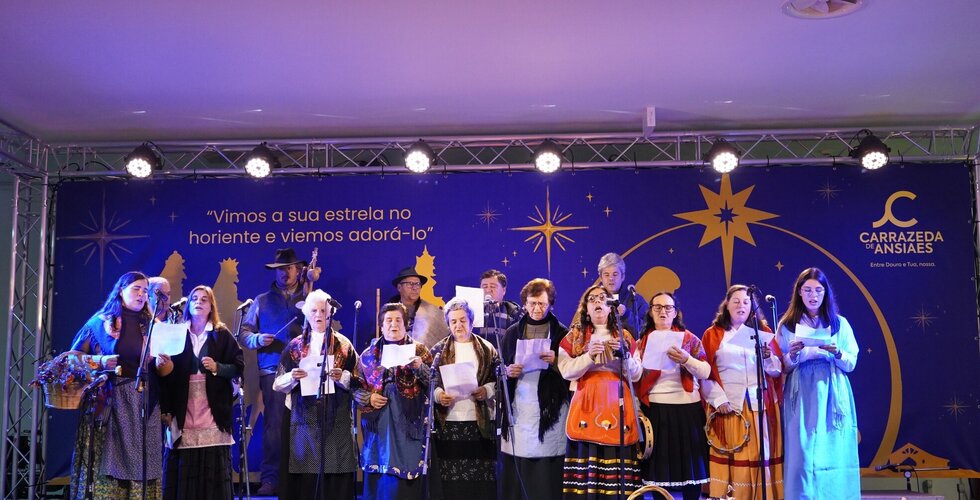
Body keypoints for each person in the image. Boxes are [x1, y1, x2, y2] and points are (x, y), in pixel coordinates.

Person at [68, 271, 166, 499]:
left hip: (144, 400)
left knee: (143, 460)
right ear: (121, 291)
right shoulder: (100, 323)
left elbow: (164, 371)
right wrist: (100, 360)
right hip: (111, 401)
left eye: (145, 291)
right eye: (136, 289)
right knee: (109, 460)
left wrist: (164, 363)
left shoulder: (152, 325)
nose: (142, 294)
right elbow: (72, 358)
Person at [777, 268, 860, 500]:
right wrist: (792, 354)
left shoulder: (839, 324)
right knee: (802, 452)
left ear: (825, 293)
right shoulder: (787, 325)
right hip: (801, 392)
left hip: (832, 390)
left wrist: (837, 352)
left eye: (818, 290)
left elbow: (851, 362)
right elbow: (781, 366)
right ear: (799, 293)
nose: (813, 295)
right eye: (807, 290)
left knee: (833, 448)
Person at [238, 247, 314, 495]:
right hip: (272, 370)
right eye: (280, 269)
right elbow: (244, 334)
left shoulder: (309, 297)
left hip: (305, 370)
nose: (284, 273)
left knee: (305, 425)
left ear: (298, 270)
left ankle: (302, 479)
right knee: (274, 426)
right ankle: (271, 478)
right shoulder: (261, 300)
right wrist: (258, 339)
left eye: (289, 268)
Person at [159, 285, 244, 500]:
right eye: (194, 298)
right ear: (188, 305)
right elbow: (166, 378)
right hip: (183, 405)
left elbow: (238, 366)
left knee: (211, 466)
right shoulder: (177, 332)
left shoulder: (221, 334)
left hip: (211, 408)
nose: (198, 302)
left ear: (211, 306)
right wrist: (166, 408)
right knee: (183, 464)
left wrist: (218, 368)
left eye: (204, 299)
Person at [558, 284, 643, 499]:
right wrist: (588, 357)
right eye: (592, 299)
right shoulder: (575, 336)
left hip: (617, 401)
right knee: (588, 451)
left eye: (603, 298)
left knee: (617, 451)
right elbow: (566, 371)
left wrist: (623, 357)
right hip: (586, 402)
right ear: (586, 309)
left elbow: (636, 375)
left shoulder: (624, 336)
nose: (597, 302)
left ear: (611, 307)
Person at [272, 289, 358, 499]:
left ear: (330, 314)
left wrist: (342, 377)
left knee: (335, 467)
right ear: (306, 314)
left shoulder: (344, 345)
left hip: (335, 416)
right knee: (306, 471)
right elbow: (277, 383)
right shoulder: (294, 346)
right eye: (314, 311)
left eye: (323, 310)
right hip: (303, 417)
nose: (319, 315)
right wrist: (293, 376)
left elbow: (359, 380)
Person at [701, 285, 784, 500]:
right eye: (736, 301)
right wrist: (718, 399)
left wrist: (768, 357)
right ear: (726, 305)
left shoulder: (763, 332)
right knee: (733, 453)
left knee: (759, 453)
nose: (741, 306)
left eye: (746, 302)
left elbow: (776, 371)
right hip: (728, 406)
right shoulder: (713, 334)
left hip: (759, 405)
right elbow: (705, 373)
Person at [498, 278, 569, 500]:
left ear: (551, 305)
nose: (537, 309)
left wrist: (556, 361)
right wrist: (508, 371)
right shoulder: (512, 332)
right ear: (524, 304)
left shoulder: (561, 333)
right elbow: (500, 368)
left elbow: (572, 372)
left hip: (549, 405)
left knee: (545, 464)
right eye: (532, 303)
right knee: (520, 457)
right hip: (520, 403)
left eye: (542, 304)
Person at [635, 292, 710, 500]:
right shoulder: (641, 342)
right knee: (660, 473)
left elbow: (705, 371)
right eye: (657, 307)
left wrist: (687, 360)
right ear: (650, 312)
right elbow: (634, 377)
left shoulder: (689, 338)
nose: (663, 312)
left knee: (690, 471)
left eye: (668, 307)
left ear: (675, 312)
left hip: (687, 408)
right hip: (655, 408)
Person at [354, 303, 434, 500]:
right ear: (381, 326)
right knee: (379, 480)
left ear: (406, 324)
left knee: (403, 483)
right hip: (378, 428)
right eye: (388, 320)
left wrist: (419, 367)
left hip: (409, 425)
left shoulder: (420, 351)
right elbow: (355, 387)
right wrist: (369, 397)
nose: (393, 324)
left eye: (398, 320)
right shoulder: (368, 355)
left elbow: (436, 383)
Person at [431, 297, 500, 500]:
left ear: (471, 321)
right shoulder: (438, 350)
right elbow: (430, 382)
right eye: (453, 321)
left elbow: (496, 380)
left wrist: (486, 390)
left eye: (462, 320)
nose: (458, 325)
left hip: (479, 422)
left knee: (480, 477)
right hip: (449, 422)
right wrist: (439, 395)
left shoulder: (486, 348)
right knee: (452, 477)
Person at [388, 266, 450, 348]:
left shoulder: (431, 312)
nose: (415, 288)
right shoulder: (388, 312)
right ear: (399, 287)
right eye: (410, 284)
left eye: (418, 284)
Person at [597, 252, 648, 339]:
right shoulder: (594, 300)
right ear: (601, 278)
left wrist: (626, 315)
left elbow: (646, 333)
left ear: (622, 276)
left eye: (615, 274)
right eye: (606, 275)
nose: (611, 278)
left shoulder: (636, 300)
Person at [473, 269, 522, 340]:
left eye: (493, 286)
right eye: (485, 287)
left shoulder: (512, 313)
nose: (488, 290)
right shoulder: (472, 312)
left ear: (504, 290)